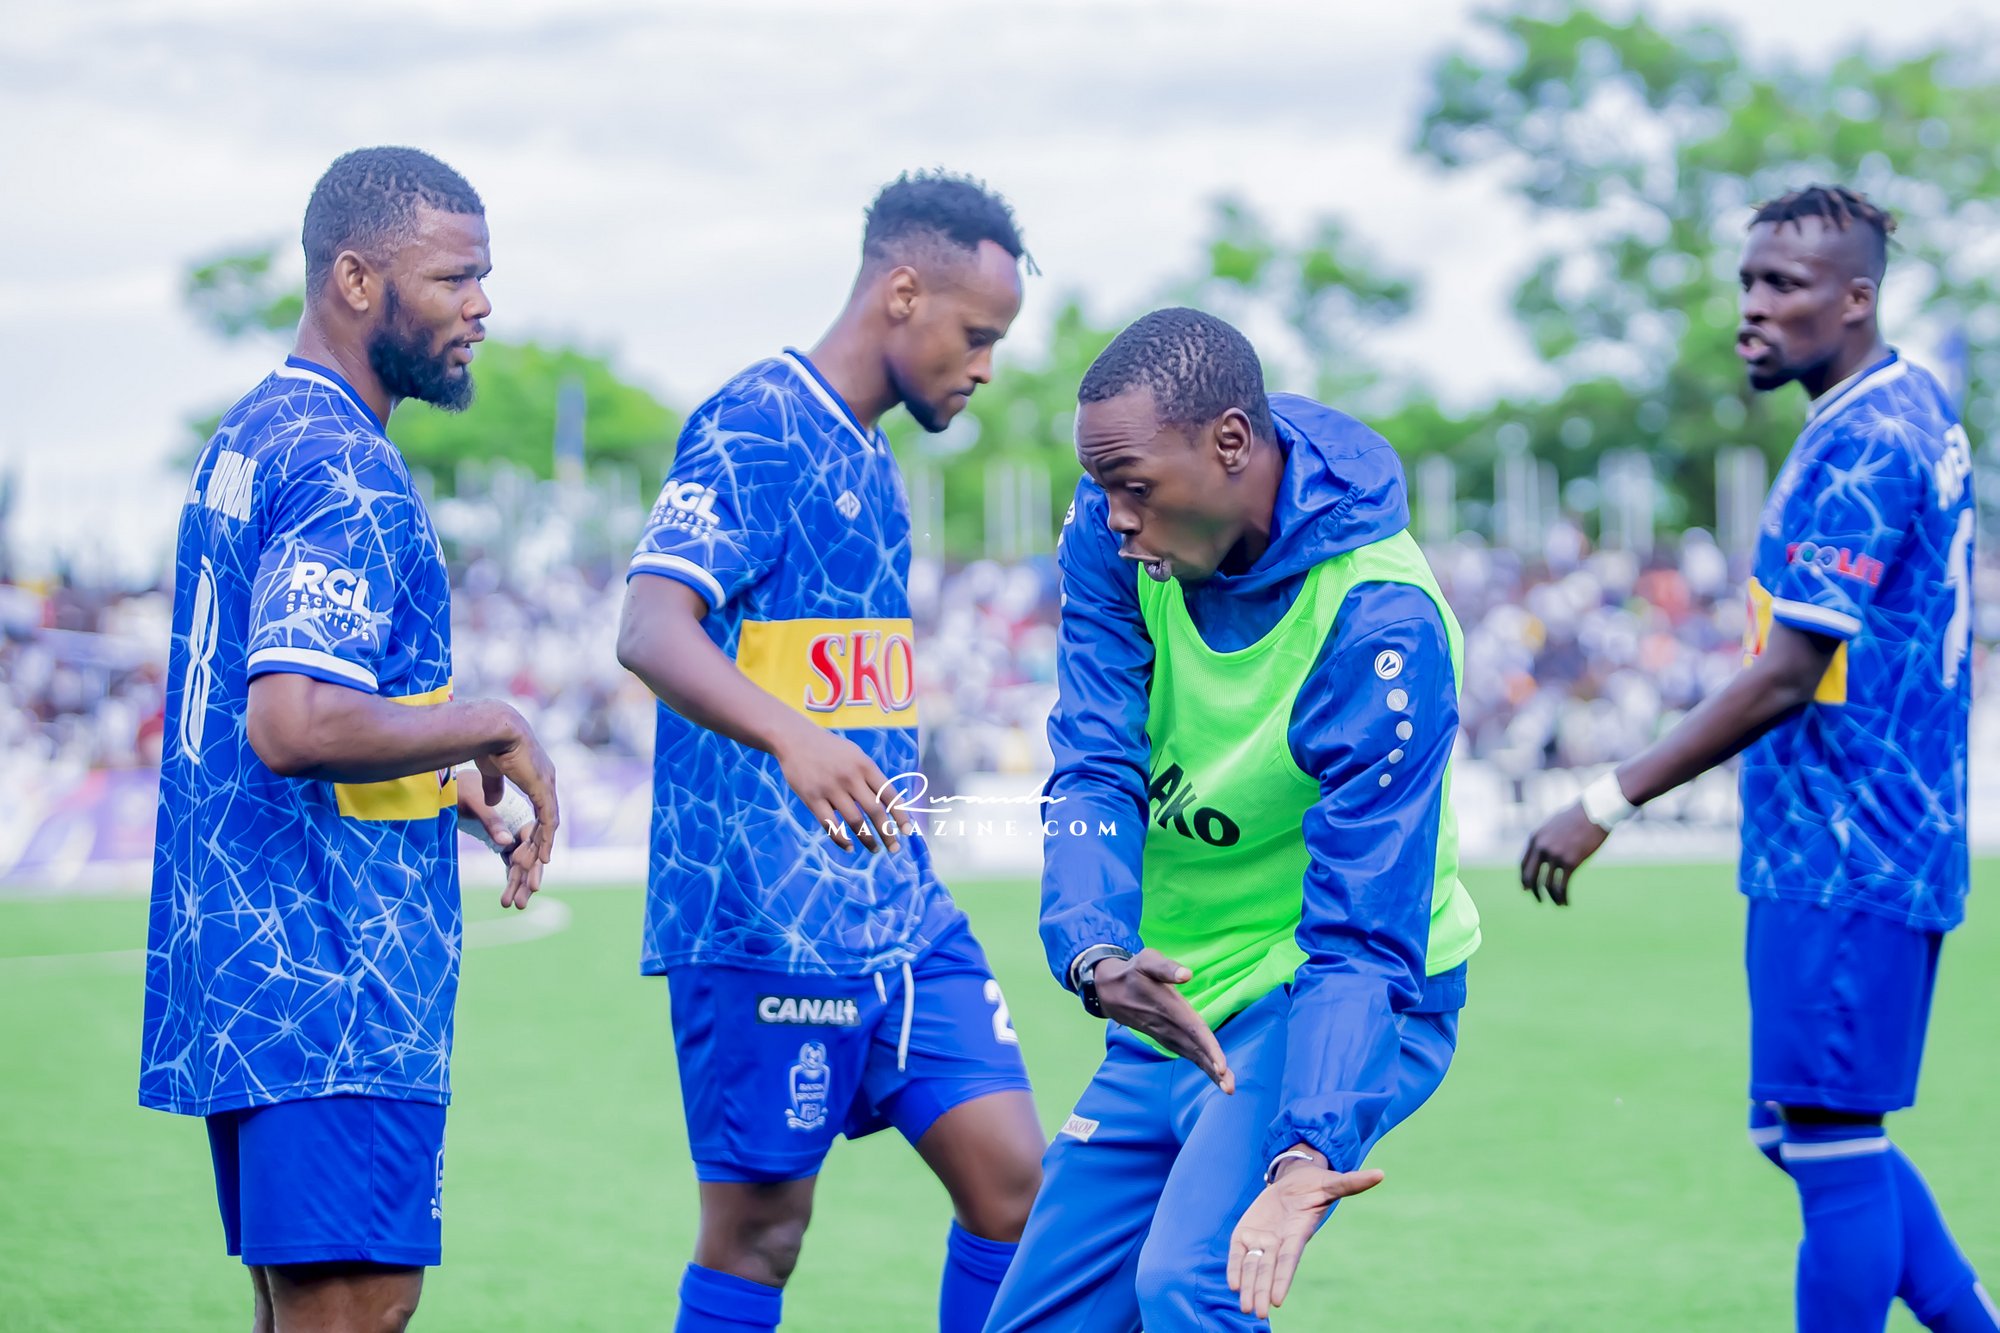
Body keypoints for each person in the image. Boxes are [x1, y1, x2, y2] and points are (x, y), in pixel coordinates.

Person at [1521, 185, 1996, 1332]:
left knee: (1829, 1141)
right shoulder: (1898, 405)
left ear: (1856, 298)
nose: (1751, 307)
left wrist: (1604, 798)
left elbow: (1786, 673)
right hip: (1844, 840)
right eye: (1746, 281)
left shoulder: (1865, 441)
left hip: (1850, 844)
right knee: (1797, 1128)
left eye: (1783, 285)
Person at [987, 307, 1482, 1331]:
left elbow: (1363, 928)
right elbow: (1094, 762)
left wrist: (1309, 1147)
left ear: (1228, 442)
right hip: (1177, 997)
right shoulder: (1112, 535)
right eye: (1100, 488)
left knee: (1189, 1285)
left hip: (1331, 994)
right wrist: (1094, 952)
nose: (1115, 517)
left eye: (1133, 487)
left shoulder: (1379, 620)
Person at [614, 171, 1044, 1333]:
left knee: (1015, 1186)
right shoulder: (756, 422)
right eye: (975, 335)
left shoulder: (871, 455)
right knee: (761, 1235)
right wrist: (794, 738)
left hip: (897, 909)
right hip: (764, 914)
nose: (984, 367)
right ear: (902, 292)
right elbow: (649, 627)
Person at [141, 146, 559, 1333]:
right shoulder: (345, 466)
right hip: (334, 982)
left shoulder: (255, 432)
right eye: (454, 278)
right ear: (357, 279)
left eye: (484, 276)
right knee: (355, 1310)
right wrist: (490, 723)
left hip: (253, 968)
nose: (481, 305)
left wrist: (433, 770)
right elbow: (293, 722)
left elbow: (292, 706)